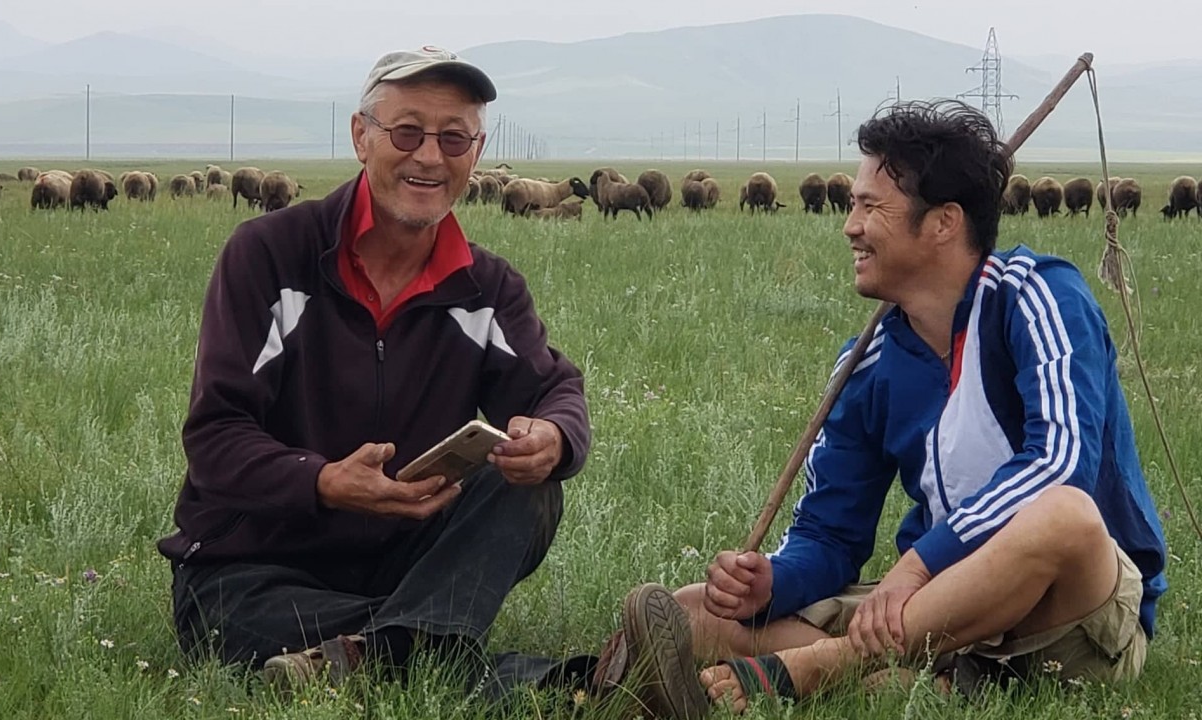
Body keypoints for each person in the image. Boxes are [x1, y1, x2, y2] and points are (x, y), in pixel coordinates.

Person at [156, 45, 651, 702]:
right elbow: (216, 437)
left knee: (524, 482)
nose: (429, 157)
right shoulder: (270, 258)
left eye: (454, 138)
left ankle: (367, 653)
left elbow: (553, 388)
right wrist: (325, 482)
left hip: (401, 566)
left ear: (477, 152)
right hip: (252, 569)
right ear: (361, 136)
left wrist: (554, 436)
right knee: (253, 622)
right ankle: (560, 687)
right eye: (408, 132)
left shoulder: (488, 288)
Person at [673, 99, 1169, 714]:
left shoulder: (1036, 298)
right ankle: (907, 682)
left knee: (1063, 514)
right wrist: (774, 582)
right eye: (852, 205)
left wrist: (916, 567)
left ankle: (828, 666)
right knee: (692, 611)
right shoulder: (866, 363)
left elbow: (1060, 467)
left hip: (1068, 618)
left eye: (870, 207)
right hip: (943, 616)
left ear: (942, 222)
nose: (849, 226)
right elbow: (829, 533)